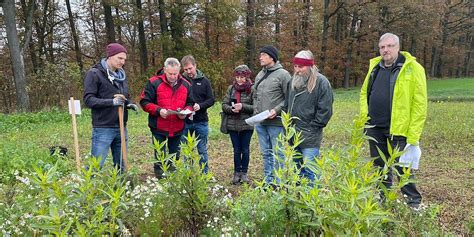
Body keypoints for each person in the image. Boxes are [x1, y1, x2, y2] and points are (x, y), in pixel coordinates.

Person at [360, 33, 427, 209]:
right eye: (382, 47)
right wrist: (364, 120)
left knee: (403, 169)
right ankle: (384, 200)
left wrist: (413, 135)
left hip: (399, 129)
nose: (385, 50)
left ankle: (413, 204)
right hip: (375, 128)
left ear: (398, 47)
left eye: (389, 46)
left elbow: (420, 105)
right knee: (380, 167)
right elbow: (363, 94)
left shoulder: (413, 69)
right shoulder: (374, 67)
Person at [83, 43, 138, 171]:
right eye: (120, 58)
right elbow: (88, 100)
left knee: (122, 164)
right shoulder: (94, 74)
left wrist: (128, 103)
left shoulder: (121, 76)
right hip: (103, 127)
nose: (123, 62)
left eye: (124, 59)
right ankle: (88, 188)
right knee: (96, 165)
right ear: (110, 56)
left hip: (121, 126)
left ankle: (121, 188)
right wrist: (111, 102)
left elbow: (123, 96)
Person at [140, 57, 193, 178]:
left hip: (178, 127)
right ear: (164, 70)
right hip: (158, 126)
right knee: (160, 154)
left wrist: (186, 112)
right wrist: (158, 110)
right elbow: (144, 102)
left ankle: (173, 177)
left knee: (175, 155)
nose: (173, 76)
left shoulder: (186, 85)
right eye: (170, 74)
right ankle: (160, 177)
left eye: (176, 73)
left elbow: (190, 104)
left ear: (179, 70)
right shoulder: (153, 82)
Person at [285, 50, 334, 182]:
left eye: (301, 67)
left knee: (311, 172)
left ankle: (312, 201)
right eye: (295, 66)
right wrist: (287, 128)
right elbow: (286, 105)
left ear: (310, 66)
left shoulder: (321, 83)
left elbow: (325, 111)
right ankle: (300, 199)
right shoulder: (292, 82)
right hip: (293, 135)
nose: (297, 70)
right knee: (297, 172)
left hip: (310, 137)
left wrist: (312, 128)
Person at [253, 45, 291, 184]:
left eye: (263, 54)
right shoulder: (260, 74)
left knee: (278, 153)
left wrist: (277, 110)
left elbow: (289, 98)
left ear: (271, 57)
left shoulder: (283, 75)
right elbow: (255, 96)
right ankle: (268, 181)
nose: (260, 57)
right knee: (265, 153)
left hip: (276, 123)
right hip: (261, 122)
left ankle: (279, 183)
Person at [180, 55, 215, 173]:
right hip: (185, 121)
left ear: (195, 66)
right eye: (185, 69)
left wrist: (200, 106)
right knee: (187, 150)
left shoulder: (204, 81)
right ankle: (188, 174)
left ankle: (204, 174)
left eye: (190, 68)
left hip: (201, 121)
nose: (188, 71)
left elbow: (211, 100)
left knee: (202, 149)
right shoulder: (181, 81)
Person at [221, 65, 254, 184]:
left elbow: (256, 107)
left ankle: (244, 173)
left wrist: (243, 107)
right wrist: (231, 109)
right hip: (232, 124)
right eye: (237, 77)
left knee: (245, 149)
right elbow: (224, 105)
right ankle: (236, 173)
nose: (239, 79)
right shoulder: (231, 89)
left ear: (247, 77)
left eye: (242, 77)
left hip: (247, 124)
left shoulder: (252, 89)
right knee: (236, 150)